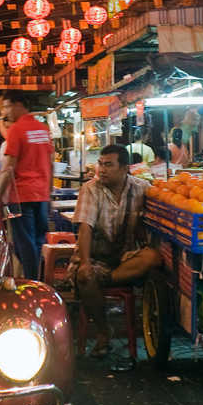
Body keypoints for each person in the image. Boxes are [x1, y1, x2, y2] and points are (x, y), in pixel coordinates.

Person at [71, 145, 162, 358]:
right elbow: (85, 228)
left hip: (125, 260)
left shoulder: (142, 188)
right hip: (94, 258)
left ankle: (106, 279)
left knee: (153, 257)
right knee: (85, 275)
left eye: (108, 165)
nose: (101, 170)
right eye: (100, 164)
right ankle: (104, 331)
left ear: (125, 168)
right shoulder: (90, 189)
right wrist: (84, 263)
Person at [0, 90, 53, 281]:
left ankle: (32, 283)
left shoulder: (17, 130)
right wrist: (50, 194)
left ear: (18, 104)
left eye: (6, 106)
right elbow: (50, 163)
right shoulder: (43, 129)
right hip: (42, 195)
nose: (5, 112)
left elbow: (9, 167)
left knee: (24, 243)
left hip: (21, 196)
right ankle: (37, 280)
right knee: (36, 241)